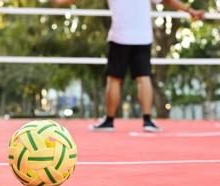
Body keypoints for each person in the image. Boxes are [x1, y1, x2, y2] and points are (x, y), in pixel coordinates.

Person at [54, 0, 204, 132]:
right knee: (143, 77)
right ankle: (147, 120)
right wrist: (190, 11)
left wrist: (61, 1)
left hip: (120, 37)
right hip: (142, 38)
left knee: (114, 79)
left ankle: (109, 121)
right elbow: (168, 0)